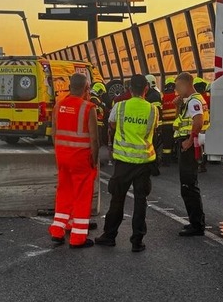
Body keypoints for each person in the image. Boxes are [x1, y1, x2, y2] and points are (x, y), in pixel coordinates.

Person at [95, 74, 158, 253]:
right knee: (140, 201)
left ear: (129, 89)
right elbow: (154, 129)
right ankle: (137, 241)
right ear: (146, 89)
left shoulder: (120, 106)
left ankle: (109, 236)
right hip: (144, 161)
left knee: (117, 199)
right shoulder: (153, 110)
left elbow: (112, 124)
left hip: (123, 161)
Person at [49, 73, 100, 249]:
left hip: (62, 157)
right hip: (81, 158)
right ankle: (78, 237)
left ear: (70, 87)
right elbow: (94, 139)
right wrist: (95, 159)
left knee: (64, 192)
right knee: (82, 195)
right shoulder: (88, 108)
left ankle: (58, 230)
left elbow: (54, 134)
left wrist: (60, 153)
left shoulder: (59, 105)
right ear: (86, 89)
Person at [174, 73, 207, 236]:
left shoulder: (194, 100)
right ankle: (195, 221)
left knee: (188, 185)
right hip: (188, 144)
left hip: (189, 146)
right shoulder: (189, 101)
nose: (176, 90)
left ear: (187, 84)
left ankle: (197, 224)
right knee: (187, 185)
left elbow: (198, 121)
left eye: (178, 86)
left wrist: (189, 140)